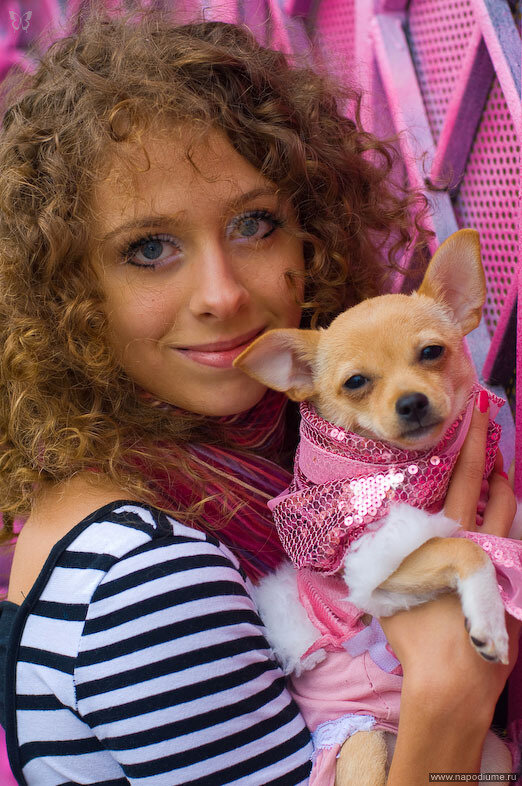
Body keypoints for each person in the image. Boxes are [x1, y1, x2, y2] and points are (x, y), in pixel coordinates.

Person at [0, 2, 518, 784]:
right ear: (70, 293)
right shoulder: (145, 580)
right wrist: (451, 695)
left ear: (309, 235)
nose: (223, 295)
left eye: (252, 225)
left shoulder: (266, 469)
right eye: (149, 247)